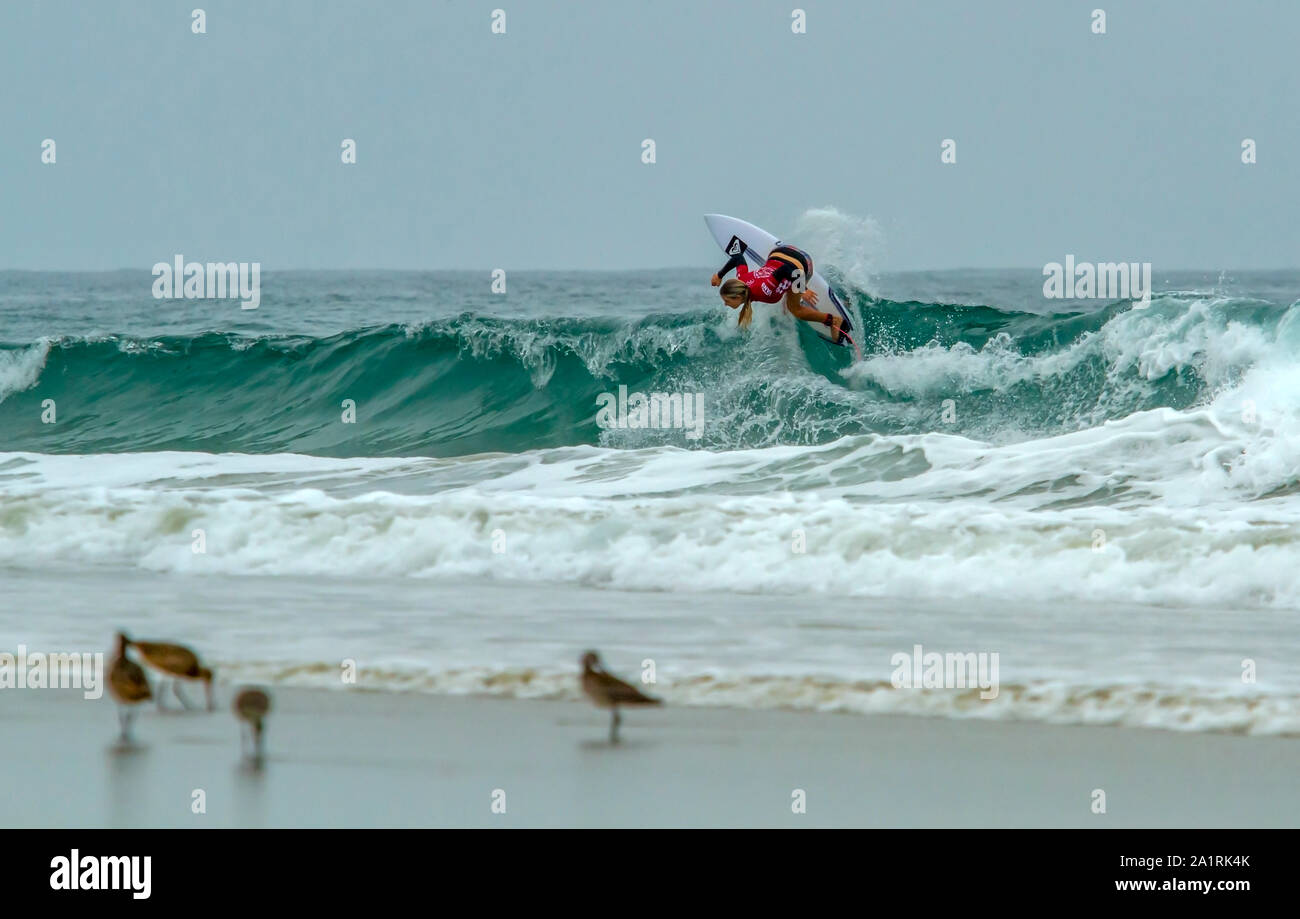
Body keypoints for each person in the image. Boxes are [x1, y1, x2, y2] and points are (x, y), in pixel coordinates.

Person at [711, 241, 846, 342]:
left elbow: (787, 270)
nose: (725, 304)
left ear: (738, 297)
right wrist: (719, 275)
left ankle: (833, 321)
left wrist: (803, 289)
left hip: (800, 264)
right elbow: (738, 257)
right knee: (783, 295)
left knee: (794, 309)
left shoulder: (765, 290)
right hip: (780, 251)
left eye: (727, 301)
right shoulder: (741, 278)